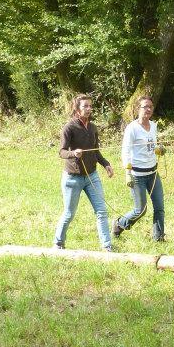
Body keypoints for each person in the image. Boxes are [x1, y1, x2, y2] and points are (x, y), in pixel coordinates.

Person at [54, 94, 115, 251]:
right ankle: (58, 243)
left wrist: (105, 164)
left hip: (92, 176)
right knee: (69, 214)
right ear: (77, 109)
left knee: (101, 211)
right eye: (85, 106)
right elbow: (61, 152)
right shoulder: (69, 128)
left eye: (90, 106)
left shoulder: (93, 127)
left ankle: (107, 246)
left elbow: (96, 151)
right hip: (73, 178)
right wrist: (73, 153)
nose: (88, 109)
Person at [113, 96, 166, 241]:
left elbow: (151, 145)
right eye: (145, 107)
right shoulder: (132, 128)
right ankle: (119, 224)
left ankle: (159, 238)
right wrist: (127, 173)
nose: (148, 109)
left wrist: (158, 149)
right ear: (138, 109)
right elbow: (126, 151)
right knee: (140, 210)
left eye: (150, 106)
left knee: (159, 207)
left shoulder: (154, 126)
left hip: (153, 173)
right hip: (137, 175)